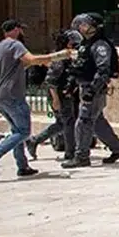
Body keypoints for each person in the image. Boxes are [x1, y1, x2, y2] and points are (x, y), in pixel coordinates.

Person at [0, 19, 71, 179]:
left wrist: (43, 62)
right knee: (23, 131)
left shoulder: (0, 47)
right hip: (12, 95)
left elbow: (19, 66)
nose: (22, 33)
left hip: (0, 96)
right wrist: (59, 56)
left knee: (16, 131)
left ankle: (22, 166)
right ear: (15, 30)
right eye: (21, 30)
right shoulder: (15, 45)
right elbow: (32, 60)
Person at [62, 13, 119, 168]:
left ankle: (81, 156)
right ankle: (118, 149)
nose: (81, 28)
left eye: (85, 25)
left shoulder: (100, 45)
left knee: (84, 122)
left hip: (93, 89)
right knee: (97, 122)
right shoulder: (87, 44)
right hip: (85, 86)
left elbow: (103, 70)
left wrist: (92, 90)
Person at [25, 29, 82, 162]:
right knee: (67, 122)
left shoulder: (68, 58)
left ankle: (34, 140)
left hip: (65, 94)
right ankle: (70, 152)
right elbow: (50, 81)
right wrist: (56, 99)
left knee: (62, 123)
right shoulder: (59, 59)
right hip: (58, 94)